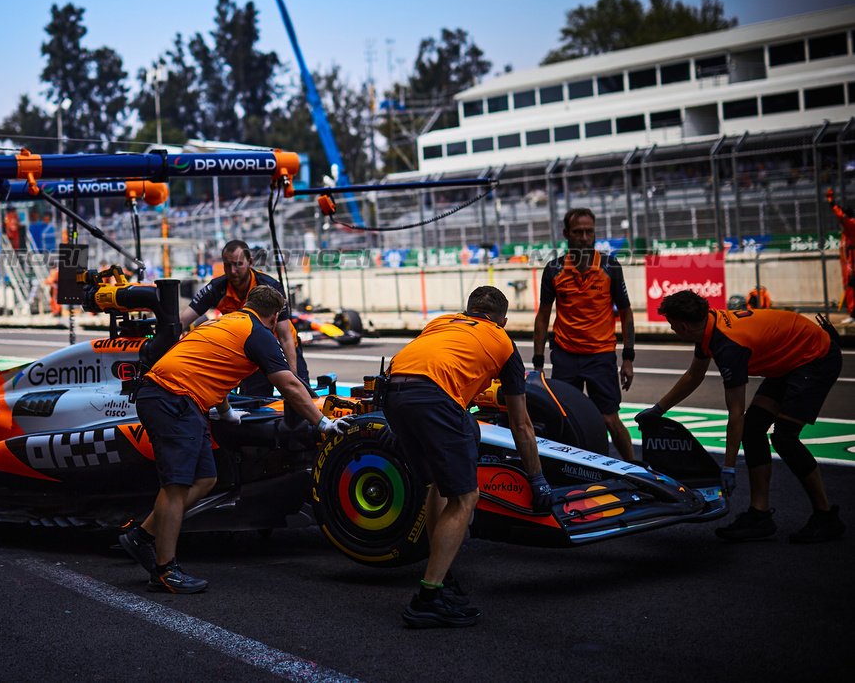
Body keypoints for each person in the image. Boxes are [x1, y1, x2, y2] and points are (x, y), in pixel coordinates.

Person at [119, 285, 346, 593]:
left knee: (205, 479)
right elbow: (290, 386)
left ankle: (142, 537)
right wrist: (321, 422)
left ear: (248, 304)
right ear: (275, 315)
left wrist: (226, 413)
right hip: (171, 398)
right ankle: (165, 570)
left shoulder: (225, 323)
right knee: (176, 486)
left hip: (176, 397)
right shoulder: (259, 334)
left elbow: (215, 370)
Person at [385, 286, 550, 629]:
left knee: (438, 485)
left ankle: (439, 578)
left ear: (467, 310)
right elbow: (520, 425)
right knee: (466, 497)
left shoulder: (442, 322)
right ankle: (427, 599)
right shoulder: (503, 343)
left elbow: (429, 363)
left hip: (393, 392)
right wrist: (537, 479)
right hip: (435, 397)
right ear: (502, 321)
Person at [643, 290, 844, 543]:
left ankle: (826, 517)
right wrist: (659, 409)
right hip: (792, 355)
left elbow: (736, 412)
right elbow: (695, 375)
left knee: (785, 438)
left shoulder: (729, 346)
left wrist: (728, 467)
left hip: (816, 357)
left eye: (672, 325)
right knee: (753, 430)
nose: (672, 329)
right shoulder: (708, 325)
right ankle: (760, 515)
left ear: (683, 325)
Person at [532, 208, 637, 463]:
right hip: (565, 356)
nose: (584, 237)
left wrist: (628, 358)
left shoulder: (610, 266)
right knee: (564, 418)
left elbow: (626, 313)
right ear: (567, 234)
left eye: (589, 231)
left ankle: (635, 468)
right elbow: (543, 316)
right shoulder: (554, 269)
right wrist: (537, 362)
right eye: (578, 232)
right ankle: (568, 469)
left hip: (600, 356)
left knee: (609, 418)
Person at [179, 239, 307, 397]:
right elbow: (181, 321)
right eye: (227, 265)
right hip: (252, 351)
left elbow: (285, 336)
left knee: (299, 397)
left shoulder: (271, 287)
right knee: (254, 403)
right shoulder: (216, 288)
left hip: (283, 345)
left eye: (238, 264)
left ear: (250, 262)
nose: (232, 271)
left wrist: (292, 377)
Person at [826, 189, 855, 322]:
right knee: (849, 288)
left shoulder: (851, 225)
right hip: (848, 264)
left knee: (851, 288)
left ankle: (853, 315)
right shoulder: (846, 232)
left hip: (851, 264)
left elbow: (840, 216)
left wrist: (832, 203)